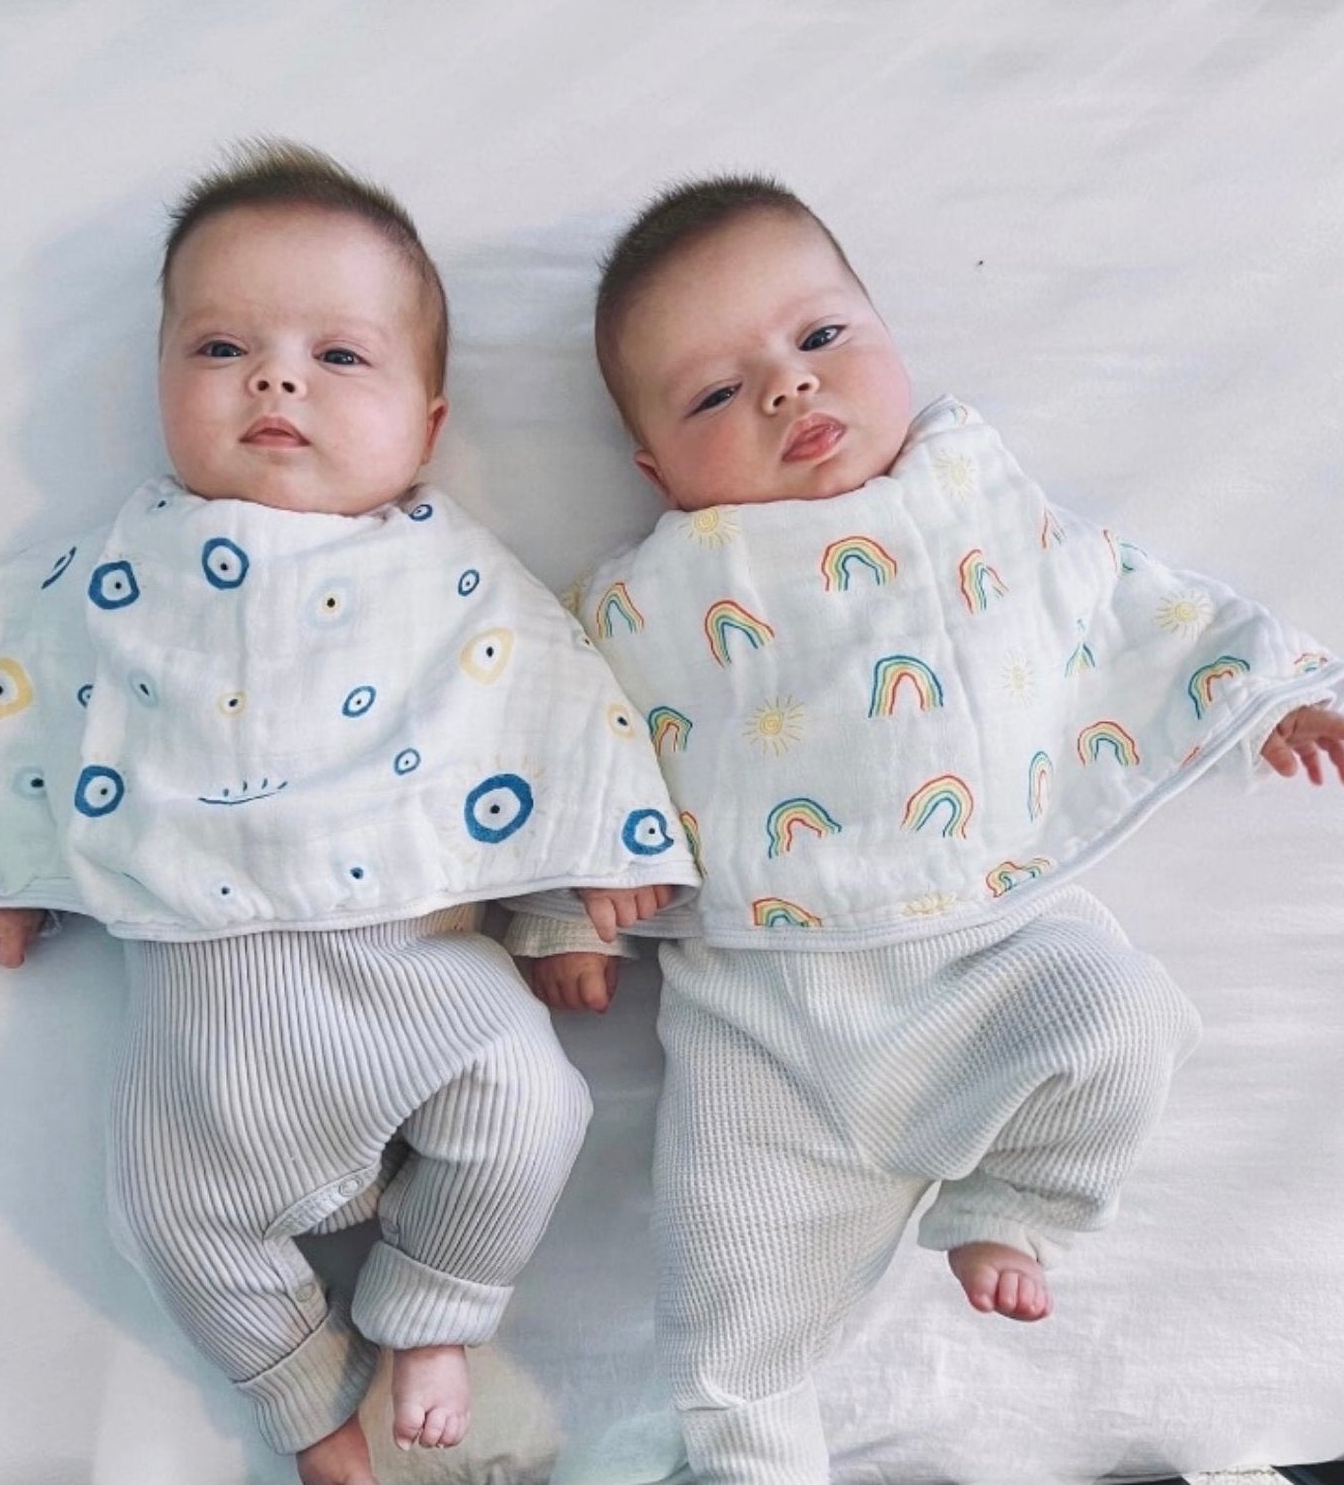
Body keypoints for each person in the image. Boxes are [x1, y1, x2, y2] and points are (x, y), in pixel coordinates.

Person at [0, 141, 693, 1485]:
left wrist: (556, 910)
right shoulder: (122, 570)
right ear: (159, 382)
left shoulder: (454, 579)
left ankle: (435, 1313)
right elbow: (1, 680)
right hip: (203, 1037)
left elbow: (531, 728)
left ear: (427, 422)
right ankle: (308, 1414)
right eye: (220, 347)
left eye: (338, 356)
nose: (276, 380)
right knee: (165, 1223)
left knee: (536, 1105)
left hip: (421, 988)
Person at [507, 175, 1344, 1484]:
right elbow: (563, 746)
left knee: (1128, 1021)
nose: (786, 387)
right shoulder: (644, 596)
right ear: (656, 470)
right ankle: (753, 1462)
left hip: (992, 957)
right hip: (763, 1028)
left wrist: (1262, 691)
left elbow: (1116, 593)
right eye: (716, 393)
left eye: (819, 337)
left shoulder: (971, 500)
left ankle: (1013, 1198)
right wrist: (567, 906)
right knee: (724, 1305)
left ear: (890, 337)